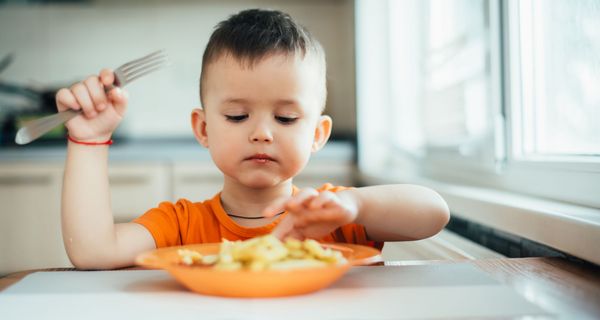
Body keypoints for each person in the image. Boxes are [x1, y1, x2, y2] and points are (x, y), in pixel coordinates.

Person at [57, 9, 450, 270]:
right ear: (203, 129)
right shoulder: (181, 225)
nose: (261, 132)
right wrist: (89, 140)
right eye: (237, 115)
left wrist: (355, 202)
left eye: (285, 117)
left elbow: (434, 213)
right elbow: (93, 251)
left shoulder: (332, 216)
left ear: (317, 134)